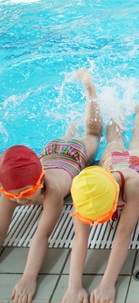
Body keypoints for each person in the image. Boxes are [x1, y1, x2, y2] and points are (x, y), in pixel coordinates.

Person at [0, 69, 102, 303]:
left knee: (94, 133)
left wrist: (28, 277)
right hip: (49, 151)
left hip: (75, 155)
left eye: (25, 193)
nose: (17, 200)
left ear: (39, 181)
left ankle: (90, 89)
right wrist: (14, 193)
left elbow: (42, 235)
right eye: (9, 194)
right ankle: (70, 130)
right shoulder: (12, 186)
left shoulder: (53, 191)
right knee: (70, 135)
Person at [62, 104, 139, 303]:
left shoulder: (133, 186)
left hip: (136, 162)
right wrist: (73, 286)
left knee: (138, 140)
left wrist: (107, 284)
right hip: (111, 162)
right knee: (114, 141)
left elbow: (123, 234)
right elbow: (80, 237)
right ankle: (118, 109)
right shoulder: (86, 188)